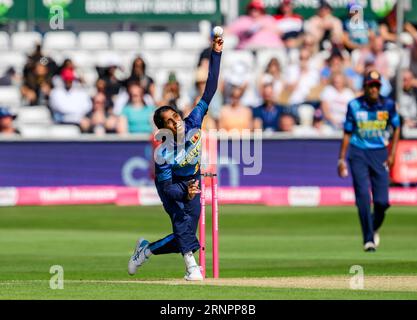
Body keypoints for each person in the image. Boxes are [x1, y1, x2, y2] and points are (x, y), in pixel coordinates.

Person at [127, 35, 223, 281]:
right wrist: (185, 193)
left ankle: (146, 250)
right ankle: (192, 269)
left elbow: (210, 88)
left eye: (175, 116)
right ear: (162, 129)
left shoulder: (193, 120)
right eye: (168, 121)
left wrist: (215, 54)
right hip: (172, 187)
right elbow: (167, 189)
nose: (175, 121)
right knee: (181, 222)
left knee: (188, 234)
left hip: (193, 178)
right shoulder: (164, 152)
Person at [337, 70, 401, 252]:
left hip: (380, 153)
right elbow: (347, 133)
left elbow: (396, 127)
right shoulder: (354, 105)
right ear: (364, 86)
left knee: (382, 202)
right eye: (370, 85)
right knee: (363, 197)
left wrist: (393, 153)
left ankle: (372, 228)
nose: (374, 89)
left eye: (376, 86)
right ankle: (368, 239)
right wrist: (341, 159)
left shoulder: (388, 105)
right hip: (358, 153)